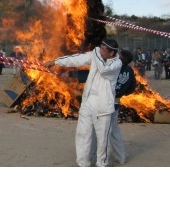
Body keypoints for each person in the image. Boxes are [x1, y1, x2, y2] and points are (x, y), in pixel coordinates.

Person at [44, 38, 122, 167]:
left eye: (103, 49)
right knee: (83, 134)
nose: (100, 50)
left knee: (103, 139)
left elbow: (103, 69)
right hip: (88, 101)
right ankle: (83, 164)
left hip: (103, 104)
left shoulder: (116, 63)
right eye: (100, 48)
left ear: (111, 53)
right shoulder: (96, 55)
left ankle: (101, 164)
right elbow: (77, 59)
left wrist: (95, 52)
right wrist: (56, 61)